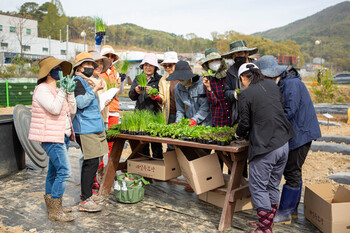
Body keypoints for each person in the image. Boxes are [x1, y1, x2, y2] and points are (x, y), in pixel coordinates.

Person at [257, 55, 322, 225]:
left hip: (301, 133)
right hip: (296, 132)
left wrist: (268, 124)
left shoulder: (291, 84)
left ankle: (285, 212)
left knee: (292, 171)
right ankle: (291, 210)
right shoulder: (285, 82)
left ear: (271, 75)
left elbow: (289, 111)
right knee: (294, 170)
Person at [234, 63, 295, 233]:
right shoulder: (271, 85)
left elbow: (244, 123)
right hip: (283, 143)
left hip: (265, 146)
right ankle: (267, 223)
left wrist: (238, 134)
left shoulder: (245, 94)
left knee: (259, 187)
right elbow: (279, 108)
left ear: (242, 78)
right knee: (273, 185)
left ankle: (265, 228)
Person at [28, 56, 76, 222]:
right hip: (50, 136)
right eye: (56, 68)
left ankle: (54, 207)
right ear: (48, 72)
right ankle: (56, 211)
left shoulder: (57, 89)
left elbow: (72, 110)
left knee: (53, 172)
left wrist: (69, 93)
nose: (60, 71)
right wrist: (63, 90)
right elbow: (54, 109)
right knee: (65, 171)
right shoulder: (42, 89)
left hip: (62, 135)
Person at [72, 52, 109, 212]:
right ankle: (85, 199)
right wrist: (95, 89)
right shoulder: (77, 81)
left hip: (95, 126)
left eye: (91, 65)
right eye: (87, 65)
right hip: (85, 128)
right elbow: (80, 103)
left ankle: (87, 193)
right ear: (79, 67)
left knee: (96, 160)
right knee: (90, 162)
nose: (90, 68)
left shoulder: (86, 81)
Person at [129, 53, 163, 158]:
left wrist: (154, 94)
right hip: (140, 116)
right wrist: (136, 91)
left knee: (156, 145)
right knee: (142, 145)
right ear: (142, 66)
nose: (148, 68)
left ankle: (158, 170)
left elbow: (162, 98)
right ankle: (146, 170)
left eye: (151, 65)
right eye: (145, 65)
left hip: (155, 116)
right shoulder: (138, 78)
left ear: (155, 67)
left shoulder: (159, 79)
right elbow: (131, 96)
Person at [222, 40, 258, 125]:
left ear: (247, 53)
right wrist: (235, 94)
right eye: (234, 55)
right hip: (239, 112)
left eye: (239, 54)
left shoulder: (257, 67)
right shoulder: (231, 71)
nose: (236, 57)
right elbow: (226, 92)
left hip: (257, 110)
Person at [99, 45, 125, 158]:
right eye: (107, 56)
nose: (110, 58)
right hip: (102, 110)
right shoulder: (98, 72)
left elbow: (119, 92)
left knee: (112, 142)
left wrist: (122, 82)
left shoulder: (116, 73)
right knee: (100, 142)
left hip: (114, 110)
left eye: (112, 56)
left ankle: (109, 171)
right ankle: (99, 170)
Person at [166, 60, 212, 126]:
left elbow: (205, 107)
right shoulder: (178, 88)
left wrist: (194, 120)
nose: (181, 80)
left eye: (183, 78)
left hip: (206, 123)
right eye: (179, 78)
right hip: (190, 125)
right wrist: (178, 122)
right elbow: (180, 110)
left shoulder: (202, 84)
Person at [201, 48, 231, 127]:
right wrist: (208, 88)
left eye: (217, 60)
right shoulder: (208, 79)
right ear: (207, 64)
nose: (214, 62)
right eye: (211, 61)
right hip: (219, 119)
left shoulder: (229, 75)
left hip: (232, 118)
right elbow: (214, 102)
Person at [155, 51, 179, 151]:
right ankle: (171, 165)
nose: (168, 68)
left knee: (184, 141)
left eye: (170, 65)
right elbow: (163, 99)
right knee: (171, 142)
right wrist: (157, 98)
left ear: (176, 65)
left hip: (185, 114)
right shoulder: (163, 80)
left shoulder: (183, 77)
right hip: (171, 114)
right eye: (165, 66)